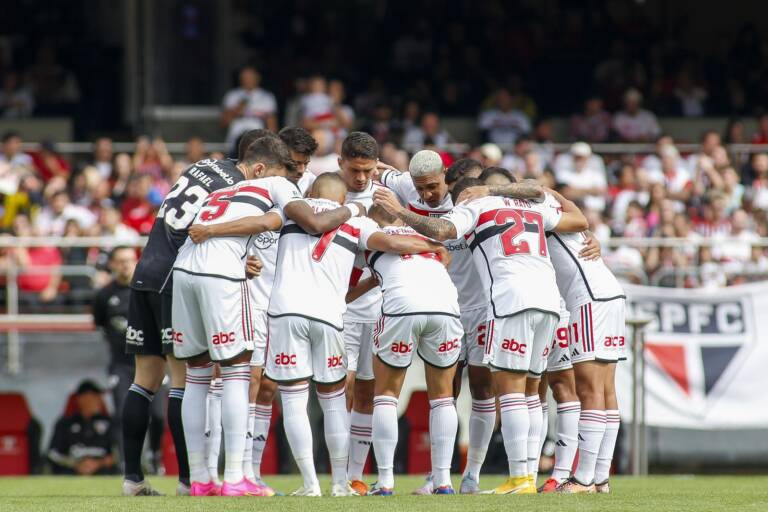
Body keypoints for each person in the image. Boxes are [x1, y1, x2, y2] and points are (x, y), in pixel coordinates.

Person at [374, 177, 589, 495]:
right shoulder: (529, 205)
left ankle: (520, 479)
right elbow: (570, 214)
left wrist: (399, 211)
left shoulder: (474, 204)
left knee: (511, 389)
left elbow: (441, 231)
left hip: (511, 299)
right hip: (549, 300)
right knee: (531, 392)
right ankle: (527, 473)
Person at [178, 142, 367, 497]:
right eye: (292, 167)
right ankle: (234, 476)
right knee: (237, 377)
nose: (296, 175)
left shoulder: (227, 189)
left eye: (302, 168)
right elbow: (302, 222)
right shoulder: (281, 189)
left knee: (209, 379)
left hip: (194, 271)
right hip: (244, 291)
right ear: (269, 166)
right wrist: (355, 208)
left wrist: (233, 248)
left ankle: (214, 477)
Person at [265, 173, 447, 496]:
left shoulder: (291, 210)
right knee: (334, 399)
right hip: (331, 315)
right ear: (342, 198)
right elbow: (392, 243)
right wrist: (432, 246)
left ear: (311, 190)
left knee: (294, 398)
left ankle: (309, 484)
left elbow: (260, 229)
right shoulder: (358, 222)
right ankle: (340, 483)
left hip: (286, 311)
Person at [121, 135, 277, 496]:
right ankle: (190, 480)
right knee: (185, 380)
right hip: (175, 277)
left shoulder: (202, 166)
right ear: (258, 166)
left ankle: (132, 478)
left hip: (145, 270)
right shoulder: (239, 188)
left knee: (143, 380)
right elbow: (205, 233)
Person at [366, 204, 460, 495]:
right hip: (446, 306)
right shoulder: (428, 238)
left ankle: (384, 481)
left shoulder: (367, 231)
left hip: (402, 307)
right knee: (443, 397)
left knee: (386, 395)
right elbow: (445, 258)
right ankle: (442, 481)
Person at [545, 193, 626, 494]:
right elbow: (577, 215)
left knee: (589, 389)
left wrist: (541, 189)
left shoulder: (538, 211)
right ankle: (600, 477)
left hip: (589, 298)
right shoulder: (558, 209)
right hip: (609, 293)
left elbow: (575, 215)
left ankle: (583, 479)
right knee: (606, 389)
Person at [93, 247, 164, 457]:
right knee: (124, 413)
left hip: (154, 362)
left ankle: (155, 455)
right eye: (121, 261)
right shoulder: (104, 295)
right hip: (122, 365)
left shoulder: (150, 290)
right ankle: (128, 462)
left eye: (130, 260)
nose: (126, 265)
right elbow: (100, 324)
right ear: (113, 264)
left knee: (159, 415)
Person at [48, 380, 117, 475]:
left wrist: (99, 463)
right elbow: (53, 454)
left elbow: (119, 453)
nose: (97, 400)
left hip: (104, 473)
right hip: (71, 474)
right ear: (80, 399)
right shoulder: (65, 423)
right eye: (91, 397)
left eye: (98, 397)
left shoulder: (110, 423)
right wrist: (75, 464)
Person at [221, 66, 278, 153]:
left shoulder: (267, 97)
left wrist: (272, 144)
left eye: (250, 77)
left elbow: (272, 123)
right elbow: (224, 123)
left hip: (258, 141)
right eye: (245, 77)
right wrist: (237, 109)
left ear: (258, 78)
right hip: (234, 142)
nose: (248, 80)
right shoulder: (232, 95)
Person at [553, 142, 608, 212]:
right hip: (571, 212)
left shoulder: (596, 174)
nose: (579, 160)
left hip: (595, 212)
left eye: (582, 157)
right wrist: (590, 191)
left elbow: (602, 190)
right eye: (577, 157)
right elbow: (566, 193)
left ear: (588, 158)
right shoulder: (564, 174)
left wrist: (576, 191)